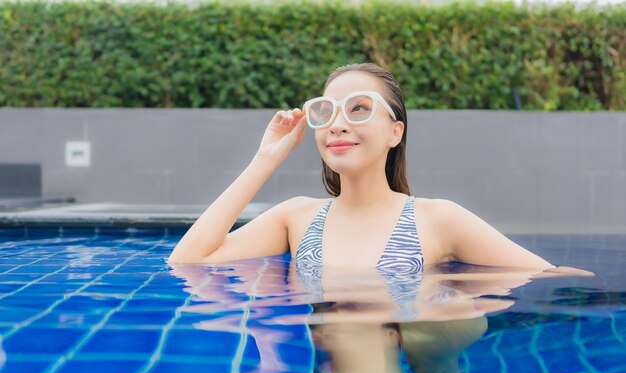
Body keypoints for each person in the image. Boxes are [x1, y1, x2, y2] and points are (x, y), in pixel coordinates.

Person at [168, 62, 571, 272]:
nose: (338, 122)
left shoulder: (438, 219)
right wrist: (265, 159)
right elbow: (187, 262)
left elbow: (551, 275)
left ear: (395, 132)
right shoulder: (296, 217)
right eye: (326, 111)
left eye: (359, 108)